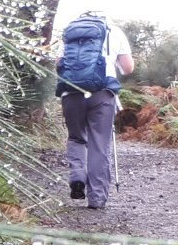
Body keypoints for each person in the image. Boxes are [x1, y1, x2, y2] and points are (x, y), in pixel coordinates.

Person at [52, 12, 134, 210]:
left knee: (76, 137)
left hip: (71, 93)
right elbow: (128, 68)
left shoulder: (70, 33)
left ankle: (78, 176)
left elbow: (58, 64)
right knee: (99, 144)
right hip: (102, 93)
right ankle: (96, 198)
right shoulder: (114, 31)